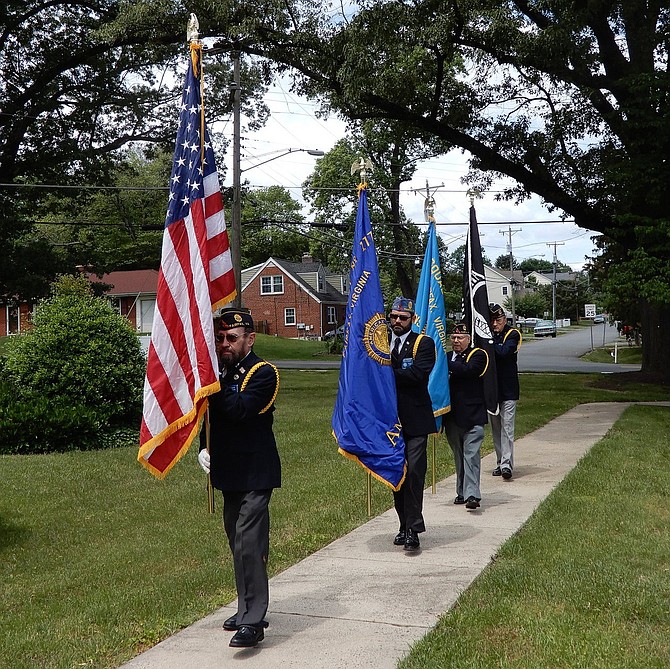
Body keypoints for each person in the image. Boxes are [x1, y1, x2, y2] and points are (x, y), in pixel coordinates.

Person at [197, 307, 281, 649]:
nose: (225, 344)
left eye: (232, 338)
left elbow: (239, 410)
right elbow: (209, 419)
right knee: (239, 544)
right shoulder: (222, 372)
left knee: (249, 543)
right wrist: (202, 449)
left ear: (250, 338)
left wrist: (209, 381)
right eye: (219, 339)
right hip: (228, 472)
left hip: (255, 473)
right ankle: (246, 605)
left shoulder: (263, 373)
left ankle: (253, 621)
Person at [388, 296, 437, 551]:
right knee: (397, 474)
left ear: (412, 320)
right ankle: (402, 524)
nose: (397, 321)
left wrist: (384, 375)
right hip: (389, 422)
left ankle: (414, 529)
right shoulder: (381, 343)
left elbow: (418, 375)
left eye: (402, 318)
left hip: (416, 420)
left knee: (415, 472)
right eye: (394, 317)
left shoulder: (423, 343)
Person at [443, 321, 488, 509]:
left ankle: (472, 495)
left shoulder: (477, 355)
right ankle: (461, 492)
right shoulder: (446, 357)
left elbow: (469, 371)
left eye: (460, 337)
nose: (456, 341)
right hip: (452, 417)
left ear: (469, 339)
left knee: (471, 455)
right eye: (453, 337)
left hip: (472, 416)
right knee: (459, 456)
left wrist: (445, 364)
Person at [488, 303, 521, 480]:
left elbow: (503, 352)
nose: (495, 324)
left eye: (498, 320)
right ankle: (500, 461)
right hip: (493, 390)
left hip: (508, 390)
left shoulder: (512, 334)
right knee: (496, 428)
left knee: (507, 427)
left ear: (505, 319)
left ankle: (507, 464)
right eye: (492, 321)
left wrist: (488, 341)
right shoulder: (490, 336)